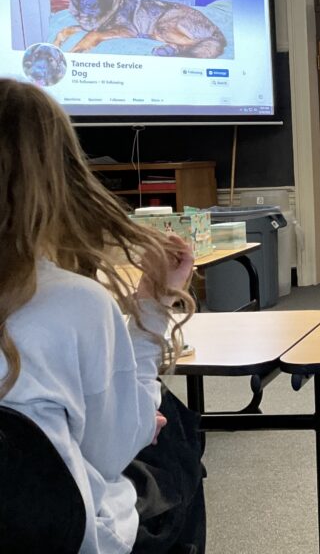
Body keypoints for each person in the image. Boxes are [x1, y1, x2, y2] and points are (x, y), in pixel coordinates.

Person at [0, 78, 205, 553]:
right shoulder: (73, 303)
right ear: (58, 178)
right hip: (65, 534)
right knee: (177, 439)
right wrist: (153, 307)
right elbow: (110, 454)